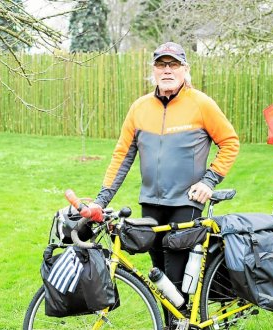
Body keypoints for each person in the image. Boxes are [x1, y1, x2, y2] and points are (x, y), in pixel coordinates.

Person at [84, 41, 240, 326]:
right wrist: (101, 200)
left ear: (184, 70)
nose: (167, 70)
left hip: (186, 203)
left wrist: (209, 180)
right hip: (151, 204)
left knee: (177, 277)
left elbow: (230, 142)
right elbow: (122, 156)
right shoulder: (139, 108)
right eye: (161, 65)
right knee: (160, 277)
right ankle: (174, 323)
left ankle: (178, 324)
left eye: (173, 65)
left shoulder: (201, 103)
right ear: (153, 71)